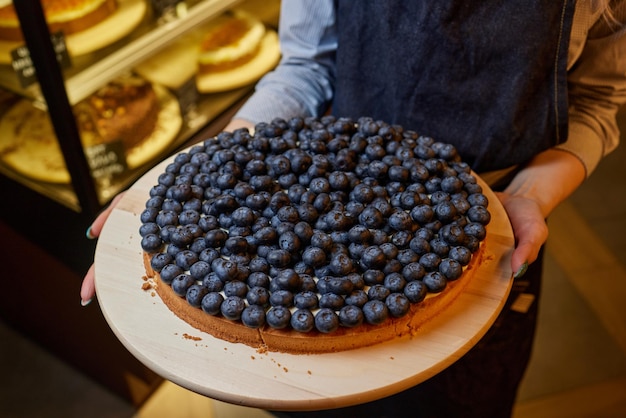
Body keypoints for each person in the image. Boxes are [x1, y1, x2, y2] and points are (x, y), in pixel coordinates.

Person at [81, 1, 626, 416]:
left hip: (487, 232)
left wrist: (528, 196)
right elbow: (307, 68)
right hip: (314, 205)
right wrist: (208, 172)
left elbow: (600, 100)